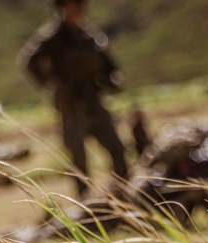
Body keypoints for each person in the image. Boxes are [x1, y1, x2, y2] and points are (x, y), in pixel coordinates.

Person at [19, 0, 128, 198]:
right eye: (72, 4)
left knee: (116, 147)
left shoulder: (90, 34)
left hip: (93, 99)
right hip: (71, 104)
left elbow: (108, 63)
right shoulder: (53, 36)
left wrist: (114, 80)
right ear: (62, 7)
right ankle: (86, 203)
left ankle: (123, 195)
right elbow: (29, 61)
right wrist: (51, 83)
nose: (77, 8)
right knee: (78, 156)